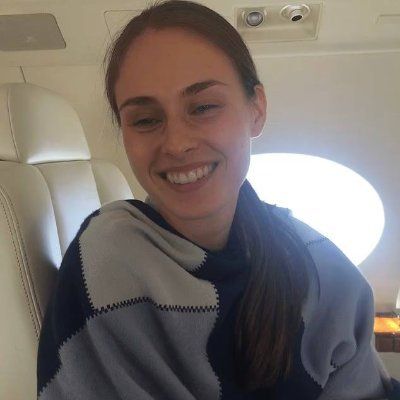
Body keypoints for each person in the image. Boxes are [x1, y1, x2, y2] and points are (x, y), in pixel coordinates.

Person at [37, 1, 400, 399]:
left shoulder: (324, 270)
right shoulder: (106, 260)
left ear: (256, 109)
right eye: (145, 120)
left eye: (204, 107)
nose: (176, 143)